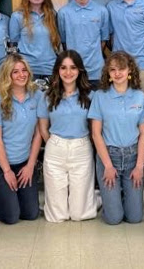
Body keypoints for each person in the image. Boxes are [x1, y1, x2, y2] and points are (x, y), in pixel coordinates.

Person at [37, 50, 97, 222]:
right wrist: (57, 145)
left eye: (73, 68)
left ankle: (95, 197)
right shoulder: (47, 96)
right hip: (55, 148)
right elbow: (43, 128)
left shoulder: (89, 96)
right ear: (57, 70)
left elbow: (94, 129)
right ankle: (58, 201)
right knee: (57, 216)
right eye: (63, 68)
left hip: (81, 149)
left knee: (79, 215)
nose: (68, 72)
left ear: (79, 71)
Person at [0, 54, 42, 224]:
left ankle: (10, 197)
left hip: (24, 163)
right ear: (7, 75)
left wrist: (31, 165)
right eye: (15, 72)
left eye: (24, 70)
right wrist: (7, 171)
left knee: (31, 213)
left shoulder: (37, 95)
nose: (21, 75)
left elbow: (38, 133)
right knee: (11, 216)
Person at [89, 51, 144, 225]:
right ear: (108, 73)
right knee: (114, 219)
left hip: (132, 157)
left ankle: (125, 198)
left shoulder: (139, 96)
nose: (118, 73)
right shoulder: (99, 96)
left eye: (122, 68)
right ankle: (108, 199)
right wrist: (107, 165)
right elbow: (95, 133)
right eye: (113, 69)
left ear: (130, 71)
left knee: (135, 218)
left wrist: (139, 166)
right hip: (109, 156)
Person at [58, 0, 109, 89]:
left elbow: (103, 40)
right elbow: (64, 42)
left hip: (96, 72)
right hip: (73, 73)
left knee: (96, 106)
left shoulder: (102, 11)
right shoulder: (63, 13)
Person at [9, 0, 61, 80]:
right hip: (27, 70)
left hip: (50, 69)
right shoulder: (17, 16)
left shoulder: (52, 14)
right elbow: (13, 46)